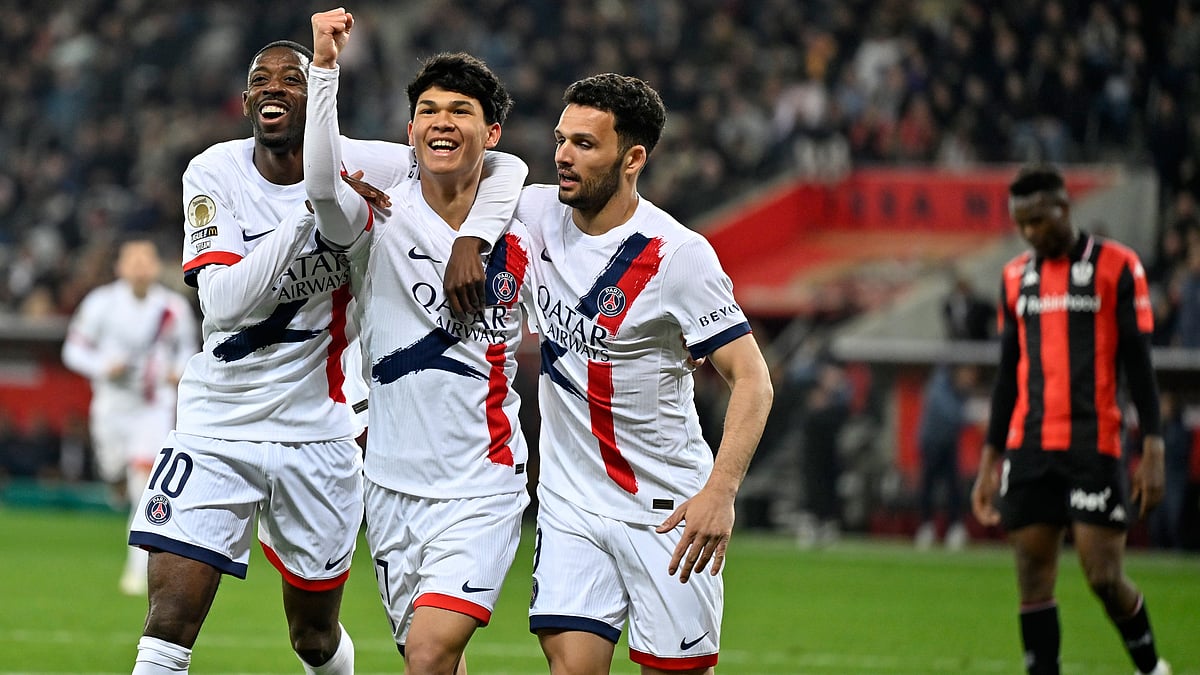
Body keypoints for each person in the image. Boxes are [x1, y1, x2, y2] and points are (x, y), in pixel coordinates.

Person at [125, 35, 526, 675]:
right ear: (247, 98)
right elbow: (224, 303)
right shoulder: (214, 172)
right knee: (168, 627)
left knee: (313, 637)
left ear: (318, 95)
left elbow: (502, 167)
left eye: (292, 78)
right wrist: (309, 215)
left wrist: (473, 237)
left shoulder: (369, 161)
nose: (274, 88)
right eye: (262, 79)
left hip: (318, 433)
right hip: (216, 423)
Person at [518, 73, 774, 673]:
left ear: (633, 158)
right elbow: (475, 173)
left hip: (667, 509)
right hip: (570, 504)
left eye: (585, 144)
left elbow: (753, 379)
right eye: (560, 139)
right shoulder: (533, 210)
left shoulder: (677, 255)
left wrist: (720, 492)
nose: (562, 156)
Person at [304, 9, 530, 673]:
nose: (441, 121)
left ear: (489, 131)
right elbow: (319, 178)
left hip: (481, 482)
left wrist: (474, 239)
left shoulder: (523, 215)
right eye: (428, 110)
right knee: (429, 658)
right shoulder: (384, 206)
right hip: (392, 486)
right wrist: (324, 66)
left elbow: (515, 170)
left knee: (429, 652)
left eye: (461, 111)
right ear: (409, 132)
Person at [971, 164, 1171, 675]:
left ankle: (1151, 668)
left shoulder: (1117, 266)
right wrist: (990, 460)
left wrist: (1152, 446)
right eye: (1021, 225)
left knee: (1103, 575)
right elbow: (1008, 375)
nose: (1030, 234)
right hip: (1030, 444)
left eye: (1037, 221)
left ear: (1063, 208)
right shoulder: (1016, 277)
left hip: (1094, 444)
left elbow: (1139, 364)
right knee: (1032, 576)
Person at [61, 237, 198, 596]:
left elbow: (188, 350)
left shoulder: (173, 308)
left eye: (146, 259)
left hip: (153, 407)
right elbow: (73, 349)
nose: (139, 266)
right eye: (132, 260)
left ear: (156, 266)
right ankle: (113, 482)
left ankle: (136, 570)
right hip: (111, 405)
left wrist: (178, 370)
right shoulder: (101, 303)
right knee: (113, 471)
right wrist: (103, 367)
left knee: (145, 484)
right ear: (120, 266)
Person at [913, 363, 977, 551]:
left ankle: (954, 528)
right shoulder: (939, 386)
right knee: (928, 487)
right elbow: (952, 415)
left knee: (953, 488)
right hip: (932, 444)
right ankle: (926, 528)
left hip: (949, 444)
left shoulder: (957, 390)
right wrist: (974, 416)